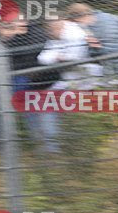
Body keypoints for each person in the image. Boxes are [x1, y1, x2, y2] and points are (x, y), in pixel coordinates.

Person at [35, 17, 93, 154]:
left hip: (83, 80)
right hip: (66, 81)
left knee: (78, 113)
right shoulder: (56, 37)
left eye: (49, 30)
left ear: (56, 27)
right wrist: (57, 56)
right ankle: (54, 148)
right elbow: (42, 58)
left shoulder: (75, 34)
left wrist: (59, 57)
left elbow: (77, 58)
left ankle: (72, 147)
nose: (49, 34)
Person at [66, 2, 118, 78]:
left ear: (76, 18)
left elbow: (93, 49)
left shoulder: (87, 26)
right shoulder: (108, 16)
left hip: (114, 66)